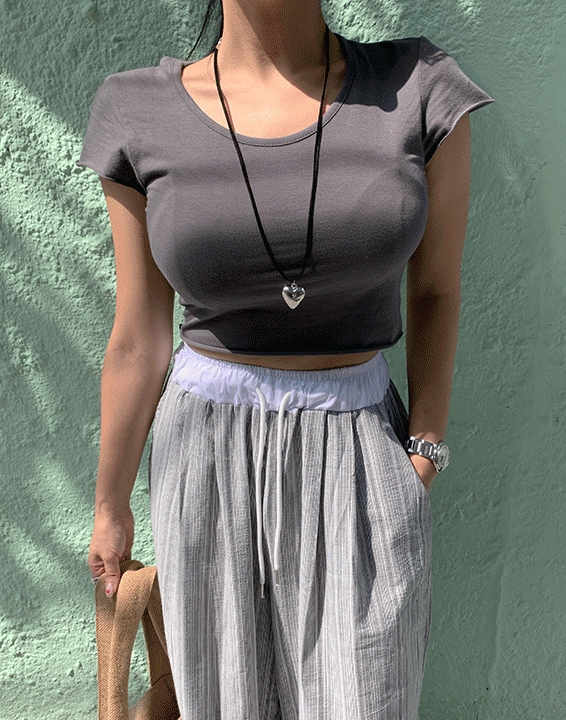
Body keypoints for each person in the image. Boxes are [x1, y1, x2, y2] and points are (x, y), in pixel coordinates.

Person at [78, 1, 494, 717]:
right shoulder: (136, 109)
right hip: (205, 456)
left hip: (361, 447)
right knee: (225, 699)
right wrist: (110, 508)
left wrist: (424, 446)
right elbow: (139, 335)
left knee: (366, 697)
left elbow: (435, 288)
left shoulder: (419, 86)